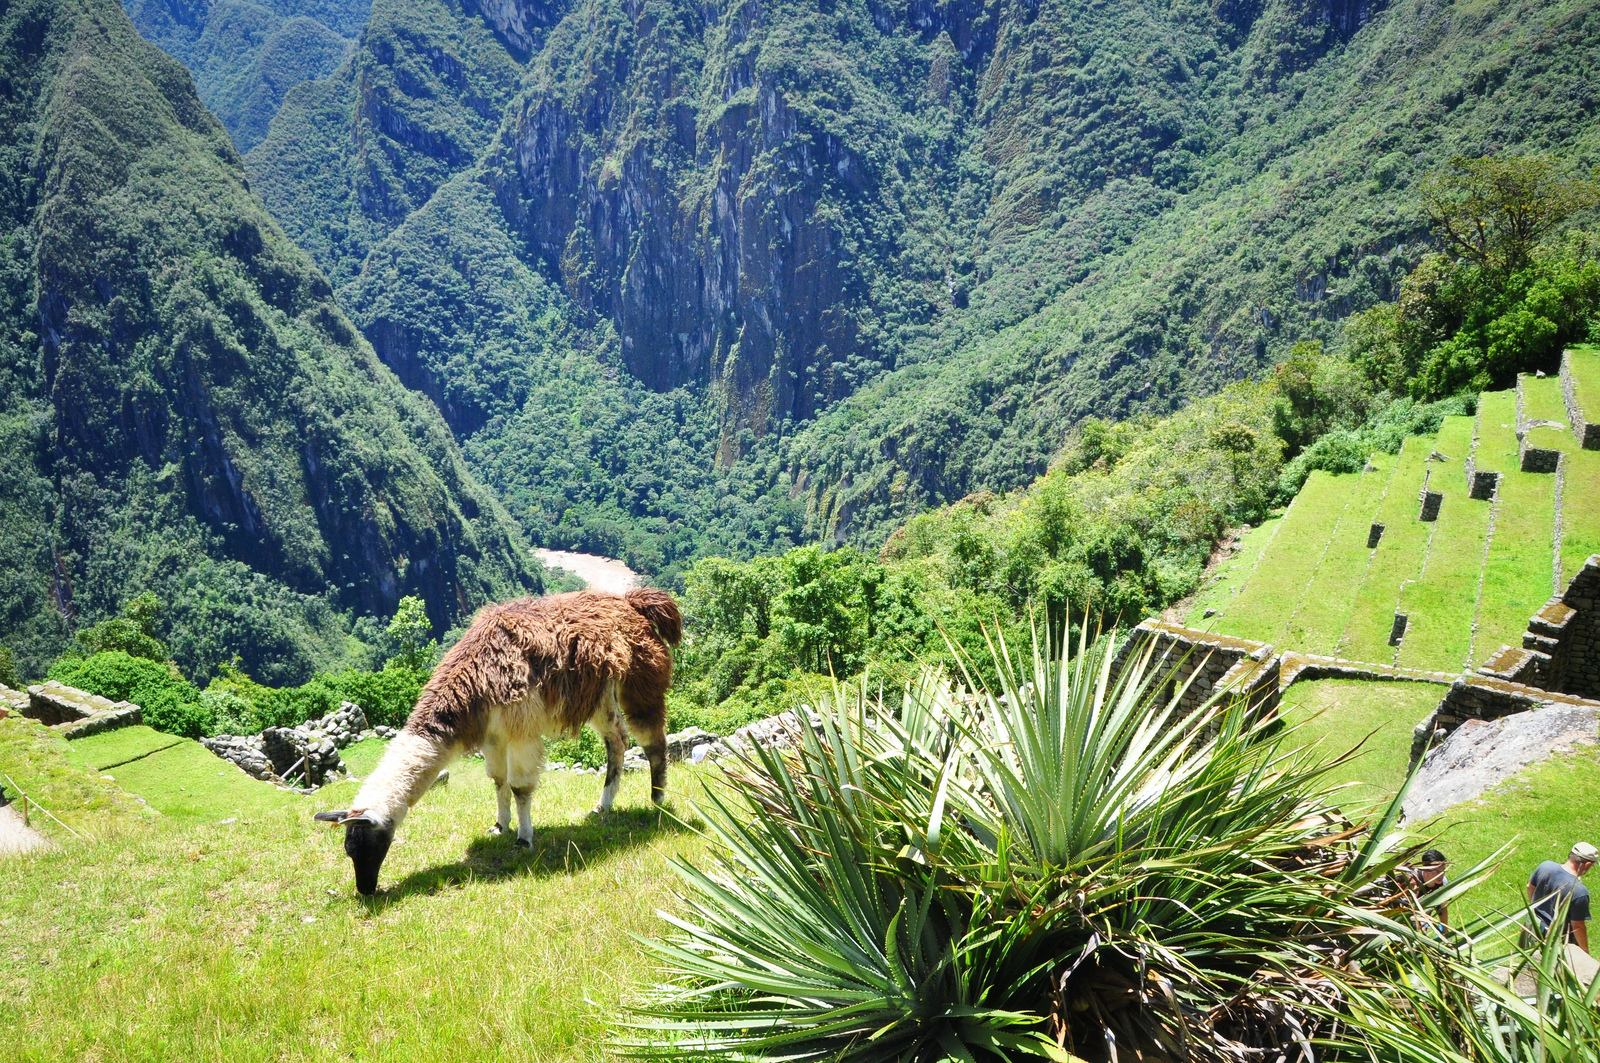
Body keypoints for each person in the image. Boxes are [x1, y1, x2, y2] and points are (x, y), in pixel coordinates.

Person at [1528, 842, 1598, 953]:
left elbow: (1530, 887)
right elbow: (1577, 926)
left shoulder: (1545, 866)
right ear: (1588, 864)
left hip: (1532, 927)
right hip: (1556, 941)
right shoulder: (1579, 892)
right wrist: (1585, 950)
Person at [1414, 848, 1450, 928]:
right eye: (1437, 871)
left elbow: (1442, 908)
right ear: (1426, 870)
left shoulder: (1443, 883)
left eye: (1443, 870)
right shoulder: (1413, 882)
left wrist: (1445, 929)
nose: (1441, 875)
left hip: (1424, 918)